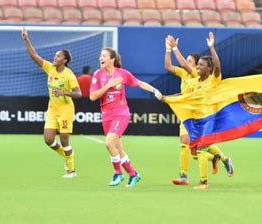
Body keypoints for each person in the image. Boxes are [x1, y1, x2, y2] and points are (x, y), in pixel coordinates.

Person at [164, 34, 234, 186]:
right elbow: (169, 68)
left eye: (192, 62)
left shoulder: (199, 74)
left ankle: (206, 173)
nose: (191, 65)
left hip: (203, 116)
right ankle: (189, 174)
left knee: (199, 148)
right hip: (188, 114)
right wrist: (168, 49)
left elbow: (212, 66)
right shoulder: (191, 79)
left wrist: (175, 47)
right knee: (189, 146)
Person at [89, 47, 162, 187]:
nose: (101, 58)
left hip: (121, 113)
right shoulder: (98, 74)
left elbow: (139, 83)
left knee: (109, 142)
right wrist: (108, 85)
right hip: (106, 115)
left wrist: (154, 90)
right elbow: (92, 96)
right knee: (118, 149)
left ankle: (118, 173)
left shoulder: (122, 74)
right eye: (100, 56)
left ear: (112, 59)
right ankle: (133, 174)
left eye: (104, 56)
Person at [21, 27, 82, 178]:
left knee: (64, 139)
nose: (55, 58)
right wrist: (26, 39)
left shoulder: (69, 75)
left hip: (66, 110)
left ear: (65, 60)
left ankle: (71, 170)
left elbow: (79, 93)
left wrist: (64, 92)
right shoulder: (50, 68)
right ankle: (68, 155)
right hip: (53, 110)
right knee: (48, 140)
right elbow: (34, 55)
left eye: (58, 56)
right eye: (55, 56)